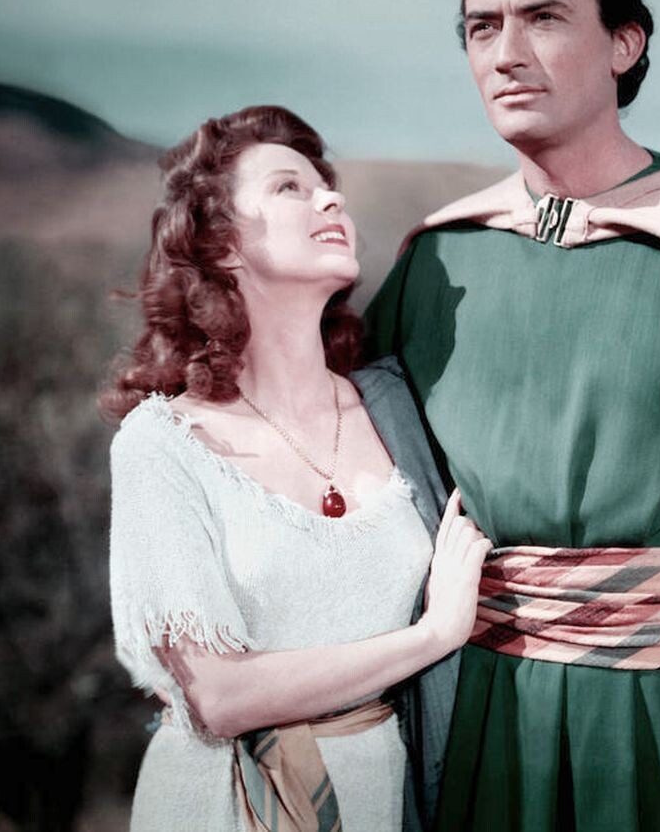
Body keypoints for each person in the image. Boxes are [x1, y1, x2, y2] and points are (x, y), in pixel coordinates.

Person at [367, 0, 660, 832]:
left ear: (623, 43)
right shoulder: (437, 262)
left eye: (542, 18)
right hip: (476, 711)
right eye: (481, 27)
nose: (505, 53)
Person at [104, 105, 491, 832]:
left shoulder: (395, 410)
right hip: (226, 803)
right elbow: (219, 698)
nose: (330, 200)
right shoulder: (164, 445)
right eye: (290, 188)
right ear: (222, 245)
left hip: (386, 795)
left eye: (328, 187)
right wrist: (433, 635)